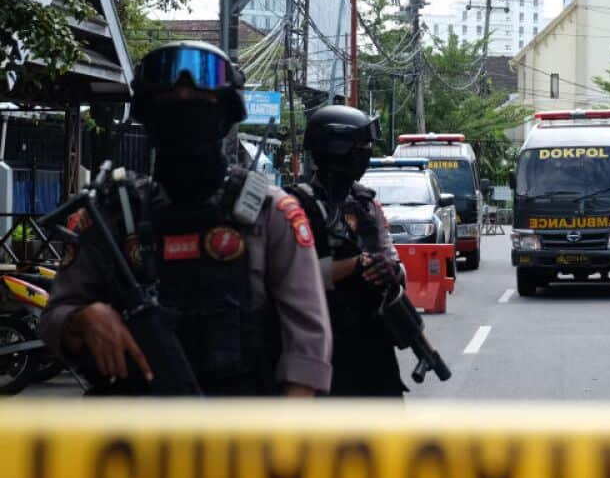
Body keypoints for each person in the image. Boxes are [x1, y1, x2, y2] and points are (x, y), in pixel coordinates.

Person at [40, 41, 332, 396]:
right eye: (168, 106)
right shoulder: (114, 213)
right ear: (149, 118)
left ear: (224, 117)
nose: (184, 118)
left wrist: (279, 441)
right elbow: (54, 318)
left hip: (242, 434)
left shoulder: (270, 212)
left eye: (200, 106)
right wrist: (82, 319)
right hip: (131, 436)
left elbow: (307, 339)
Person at [289, 106, 406, 397]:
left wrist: (393, 271)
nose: (365, 155)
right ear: (336, 149)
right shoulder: (295, 207)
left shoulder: (366, 204)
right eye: (360, 148)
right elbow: (295, 280)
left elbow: (393, 261)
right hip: (320, 349)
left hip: (373, 348)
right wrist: (356, 264)